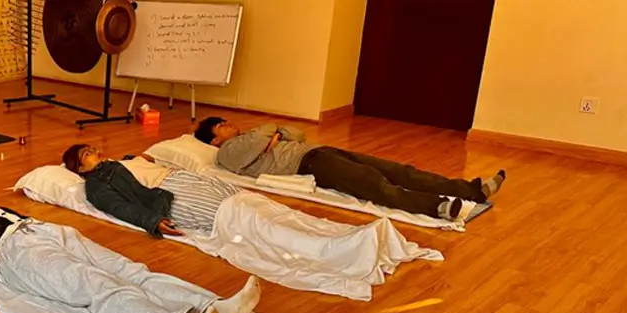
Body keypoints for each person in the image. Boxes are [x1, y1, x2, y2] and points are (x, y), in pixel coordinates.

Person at [0, 190, 262, 313]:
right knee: (96, 285)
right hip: (15, 255)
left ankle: (217, 308)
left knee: (131, 270)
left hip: (47, 232)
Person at [194, 117, 507, 221]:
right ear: (214, 139)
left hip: (320, 151)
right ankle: (437, 208)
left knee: (397, 169)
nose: (228, 124)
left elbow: (296, 133)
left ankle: (470, 189)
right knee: (374, 184)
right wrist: (271, 134)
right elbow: (264, 138)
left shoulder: (254, 135)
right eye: (221, 126)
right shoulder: (227, 154)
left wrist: (273, 136)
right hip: (308, 164)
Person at [62, 144, 243, 238]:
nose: (96, 151)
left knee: (240, 200)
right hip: (165, 198)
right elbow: (120, 207)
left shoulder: (113, 166)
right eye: (87, 154)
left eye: (93, 149)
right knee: (229, 216)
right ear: (81, 169)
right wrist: (153, 222)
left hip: (175, 183)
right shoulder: (96, 186)